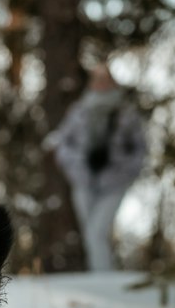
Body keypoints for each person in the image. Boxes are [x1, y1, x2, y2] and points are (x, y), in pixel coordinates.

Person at [50, 64, 146, 271]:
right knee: (90, 233)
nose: (101, 83)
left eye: (105, 79)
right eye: (97, 79)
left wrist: (123, 169)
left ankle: (103, 279)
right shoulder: (79, 110)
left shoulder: (126, 113)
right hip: (84, 180)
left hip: (114, 182)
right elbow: (63, 144)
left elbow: (140, 149)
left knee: (97, 231)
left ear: (112, 82)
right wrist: (77, 164)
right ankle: (100, 275)